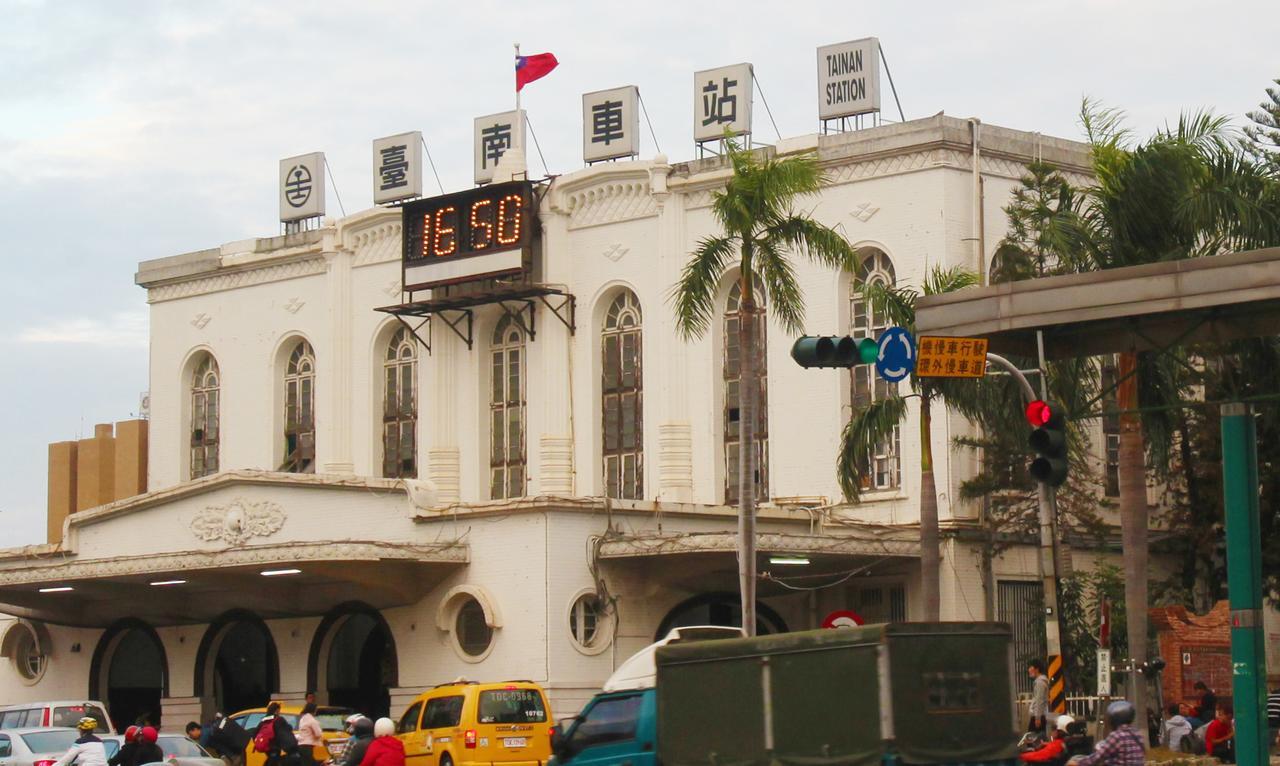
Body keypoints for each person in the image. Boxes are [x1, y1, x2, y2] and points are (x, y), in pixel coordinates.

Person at [1068, 701, 1144, 765]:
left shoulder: (1117, 736)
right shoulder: (1137, 734)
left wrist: (1078, 763)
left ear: (1114, 719)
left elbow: (1098, 757)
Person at [255, 702, 299, 766]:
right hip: (275, 747)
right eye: (279, 711)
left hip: (267, 747)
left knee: (272, 761)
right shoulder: (278, 720)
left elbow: (255, 733)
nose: (279, 713)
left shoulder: (263, 721)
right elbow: (286, 731)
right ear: (276, 710)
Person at [1027, 659, 1050, 736]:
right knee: (1038, 739)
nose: (1029, 670)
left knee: (1032, 740)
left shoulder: (1040, 683)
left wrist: (1037, 718)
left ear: (1037, 669)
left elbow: (1040, 700)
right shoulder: (1040, 682)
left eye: (1031, 667)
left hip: (1038, 716)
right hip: (1039, 715)